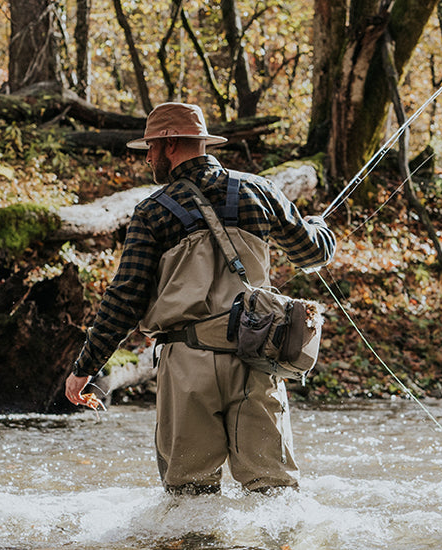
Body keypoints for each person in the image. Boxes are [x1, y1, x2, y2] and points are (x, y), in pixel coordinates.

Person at [64, 102, 336, 495]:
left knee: (189, 499)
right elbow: (313, 254)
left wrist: (86, 365)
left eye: (151, 148)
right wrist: (318, 227)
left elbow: (125, 298)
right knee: (274, 494)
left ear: (170, 142)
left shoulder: (152, 211)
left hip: (187, 363)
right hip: (256, 358)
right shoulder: (260, 190)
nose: (149, 159)